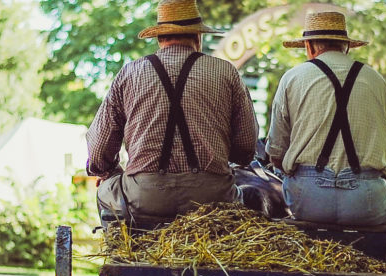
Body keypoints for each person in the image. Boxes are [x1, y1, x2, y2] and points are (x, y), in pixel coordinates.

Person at [86, 0, 258, 225]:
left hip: (145, 198)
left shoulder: (129, 73)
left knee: (105, 189)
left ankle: (121, 250)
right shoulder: (226, 72)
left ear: (159, 37)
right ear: (198, 36)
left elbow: (98, 152)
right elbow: (246, 149)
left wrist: (110, 172)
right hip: (213, 201)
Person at [262, 11, 386, 238]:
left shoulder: (291, 78)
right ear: (347, 47)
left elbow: (276, 156)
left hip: (307, 201)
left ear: (309, 47)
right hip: (367, 202)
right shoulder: (376, 80)